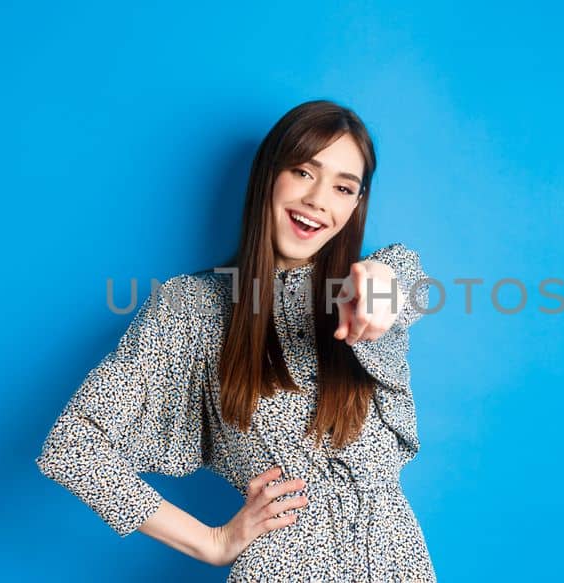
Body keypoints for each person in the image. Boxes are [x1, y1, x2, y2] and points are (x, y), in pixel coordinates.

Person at [36, 99, 435, 581]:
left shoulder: (368, 288)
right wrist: (213, 541)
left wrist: (378, 283)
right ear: (268, 175)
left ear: (356, 205)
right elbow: (72, 447)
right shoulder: (192, 307)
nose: (318, 200)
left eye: (343, 187)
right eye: (304, 173)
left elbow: (400, 283)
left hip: (400, 564)